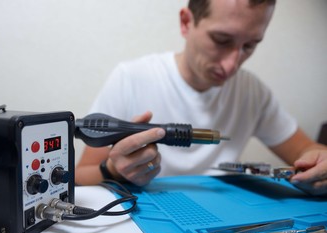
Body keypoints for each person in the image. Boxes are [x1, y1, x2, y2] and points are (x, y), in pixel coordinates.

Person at [76, 0, 327, 195]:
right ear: (186, 22)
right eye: (221, 40)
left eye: (249, 46)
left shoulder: (252, 91)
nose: (232, 65)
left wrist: (320, 162)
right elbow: (79, 176)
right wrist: (112, 171)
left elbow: (308, 150)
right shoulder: (130, 78)